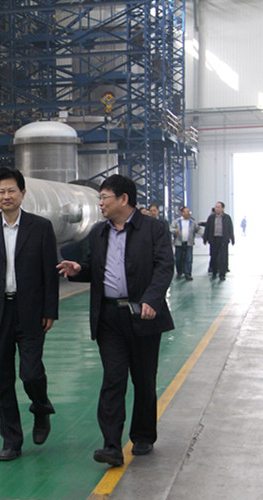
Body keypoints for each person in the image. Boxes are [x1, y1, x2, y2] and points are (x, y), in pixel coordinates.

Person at [57, 174, 174, 467]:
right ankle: (111, 445)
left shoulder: (154, 229)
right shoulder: (98, 233)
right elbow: (94, 269)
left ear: (123, 199)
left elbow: (164, 267)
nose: (100, 203)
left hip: (142, 313)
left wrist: (151, 300)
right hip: (109, 316)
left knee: (144, 379)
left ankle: (143, 435)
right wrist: (78, 270)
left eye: (104, 197)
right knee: (113, 378)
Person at [0, 167, 59, 462]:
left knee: (31, 373)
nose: (6, 196)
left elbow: (50, 274)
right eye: (1, 191)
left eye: (11, 190)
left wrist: (50, 310)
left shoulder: (40, 227)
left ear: (22, 193)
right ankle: (11, 440)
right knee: (3, 380)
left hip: (30, 311)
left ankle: (41, 407)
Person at [203, 201, 235, 282]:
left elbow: (230, 228)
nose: (216, 208)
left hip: (223, 240)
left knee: (223, 258)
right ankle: (214, 271)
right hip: (214, 240)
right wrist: (205, 239)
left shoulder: (227, 218)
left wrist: (232, 238)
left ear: (222, 208)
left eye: (218, 207)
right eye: (216, 207)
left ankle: (222, 274)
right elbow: (207, 229)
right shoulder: (211, 218)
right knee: (214, 256)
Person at [171, 206, 200, 280]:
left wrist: (204, 236)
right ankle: (179, 272)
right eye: (186, 212)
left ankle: (188, 274)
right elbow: (171, 228)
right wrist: (175, 231)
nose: (188, 213)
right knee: (178, 259)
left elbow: (198, 229)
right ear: (182, 213)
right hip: (179, 243)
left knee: (188, 259)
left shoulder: (192, 222)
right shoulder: (177, 221)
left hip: (189, 243)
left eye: (189, 212)